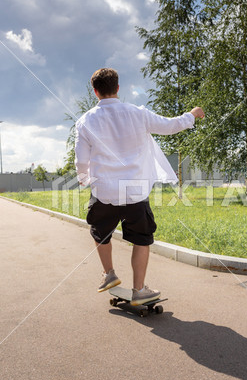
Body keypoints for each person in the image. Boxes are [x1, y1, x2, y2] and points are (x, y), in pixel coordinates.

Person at [75, 68, 204, 306]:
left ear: (95, 92)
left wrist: (85, 181)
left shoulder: (85, 121)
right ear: (118, 88)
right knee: (142, 239)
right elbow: (171, 125)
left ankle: (109, 274)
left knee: (99, 232)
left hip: (104, 192)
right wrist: (192, 115)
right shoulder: (138, 113)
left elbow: (82, 161)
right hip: (135, 192)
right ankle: (139, 289)